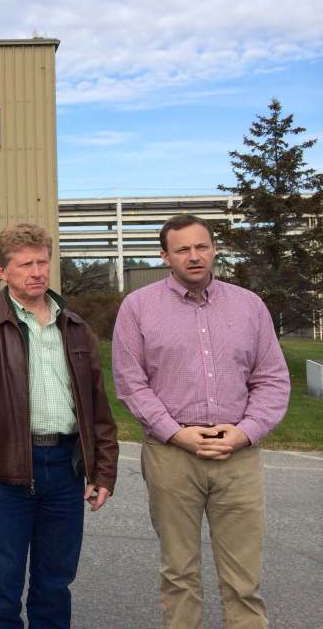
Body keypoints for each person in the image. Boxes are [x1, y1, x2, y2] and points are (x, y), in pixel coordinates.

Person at [112, 214, 290, 629]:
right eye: (182, 249)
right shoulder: (138, 308)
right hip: (171, 454)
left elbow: (272, 380)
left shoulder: (249, 306)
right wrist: (177, 433)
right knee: (179, 575)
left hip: (238, 455)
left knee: (244, 581)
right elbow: (130, 384)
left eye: (202, 246)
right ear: (165, 256)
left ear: (213, 249)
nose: (194, 256)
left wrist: (245, 432)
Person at [0, 222, 119, 629]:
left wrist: (104, 470)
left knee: (55, 585)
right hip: (5, 475)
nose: (37, 272)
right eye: (25, 264)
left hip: (64, 469)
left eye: (43, 262)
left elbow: (98, 409)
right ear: (2, 270)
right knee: (3, 590)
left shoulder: (75, 328)